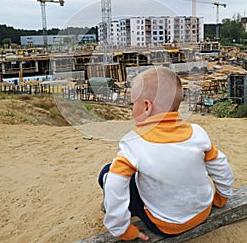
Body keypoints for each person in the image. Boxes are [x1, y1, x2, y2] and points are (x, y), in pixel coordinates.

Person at [98, 67, 234, 241]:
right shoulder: (197, 133)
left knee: (107, 173)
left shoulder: (133, 142)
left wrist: (121, 230)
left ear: (147, 106)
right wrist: (222, 196)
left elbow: (115, 185)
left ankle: (123, 213)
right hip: (202, 212)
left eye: (134, 104)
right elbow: (221, 165)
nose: (132, 109)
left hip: (164, 225)